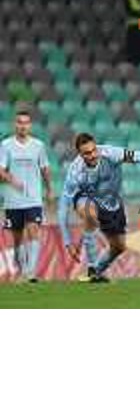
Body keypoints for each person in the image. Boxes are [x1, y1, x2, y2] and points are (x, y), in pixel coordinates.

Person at [58, 133, 140, 282]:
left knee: (118, 247)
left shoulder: (112, 154)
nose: (92, 155)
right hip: (87, 199)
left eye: (94, 150)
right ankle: (92, 266)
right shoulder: (75, 172)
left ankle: (95, 272)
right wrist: (67, 242)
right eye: (87, 153)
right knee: (89, 213)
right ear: (80, 154)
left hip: (112, 204)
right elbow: (63, 207)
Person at [0, 110, 54, 282]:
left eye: (25, 122)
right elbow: (0, 169)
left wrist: (49, 189)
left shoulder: (39, 145)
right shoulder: (6, 145)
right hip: (13, 200)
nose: (22, 126)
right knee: (17, 240)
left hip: (33, 199)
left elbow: (45, 168)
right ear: (15, 125)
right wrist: (11, 180)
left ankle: (30, 273)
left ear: (30, 125)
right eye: (19, 122)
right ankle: (23, 270)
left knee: (33, 230)